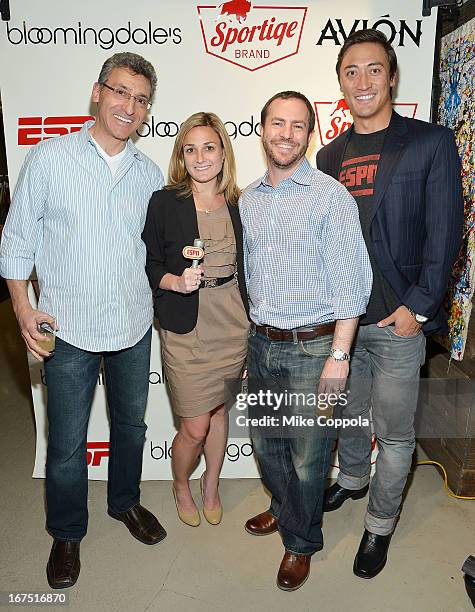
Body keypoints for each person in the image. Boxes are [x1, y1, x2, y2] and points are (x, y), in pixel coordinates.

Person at [0, 52, 167, 590]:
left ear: (146, 111)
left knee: (132, 427)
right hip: (66, 329)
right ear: (98, 93)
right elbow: (16, 242)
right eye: (120, 92)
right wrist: (23, 307)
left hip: (132, 324)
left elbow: (153, 252)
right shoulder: (49, 159)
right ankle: (67, 531)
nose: (129, 105)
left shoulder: (149, 173)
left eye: (140, 99)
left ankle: (125, 502)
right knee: (67, 443)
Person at [317, 29, 463, 579]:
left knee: (397, 434)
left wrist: (418, 308)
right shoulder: (329, 156)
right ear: (340, 83)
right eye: (351, 71)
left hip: (401, 322)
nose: (362, 80)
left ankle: (378, 528)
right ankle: (353, 481)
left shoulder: (430, 142)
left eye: (373, 69)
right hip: (346, 323)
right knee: (351, 415)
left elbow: (447, 232)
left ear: (392, 76)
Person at [239, 91, 372, 591]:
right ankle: (282, 507)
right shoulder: (250, 199)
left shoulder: (329, 196)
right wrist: (253, 344)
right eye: (278, 123)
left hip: (314, 347)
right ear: (262, 128)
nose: (286, 134)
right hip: (263, 342)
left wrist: (338, 357)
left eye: (298, 126)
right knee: (267, 443)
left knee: (308, 455)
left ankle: (300, 542)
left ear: (309, 133)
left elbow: (351, 284)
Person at [142, 112, 249, 527]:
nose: (201, 158)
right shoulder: (165, 201)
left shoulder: (241, 202)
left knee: (219, 413)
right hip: (187, 328)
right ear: (181, 156)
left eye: (209, 147)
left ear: (224, 151)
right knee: (195, 426)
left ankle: (211, 484)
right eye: (191, 149)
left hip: (233, 324)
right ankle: (181, 484)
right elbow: (148, 264)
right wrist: (174, 280)